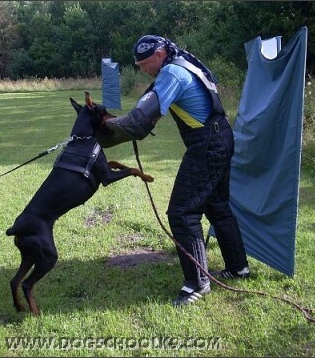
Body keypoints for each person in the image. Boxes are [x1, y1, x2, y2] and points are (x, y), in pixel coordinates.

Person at [96, 35, 250, 306]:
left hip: (207, 143)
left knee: (182, 212)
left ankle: (196, 285)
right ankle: (238, 267)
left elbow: (139, 122)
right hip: (221, 136)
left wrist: (102, 132)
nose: (142, 69)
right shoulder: (184, 64)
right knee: (217, 206)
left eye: (144, 64)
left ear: (160, 54)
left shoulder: (172, 72)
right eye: (139, 65)